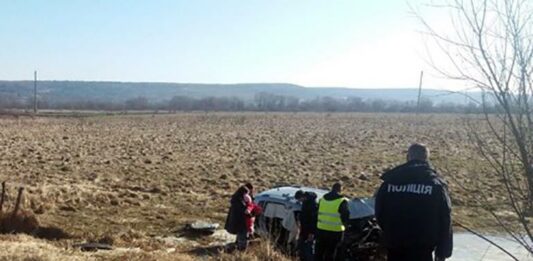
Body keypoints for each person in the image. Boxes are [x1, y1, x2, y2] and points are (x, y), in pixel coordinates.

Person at [375, 143, 453, 261]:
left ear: (408, 157)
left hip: (395, 244)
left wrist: (390, 233)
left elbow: (379, 212)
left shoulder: (390, 182)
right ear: (426, 159)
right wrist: (442, 251)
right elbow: (445, 218)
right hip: (422, 247)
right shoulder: (435, 185)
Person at [315, 182, 350, 261]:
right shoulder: (342, 201)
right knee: (331, 252)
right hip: (335, 231)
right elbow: (345, 216)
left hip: (321, 229)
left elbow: (317, 212)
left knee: (319, 252)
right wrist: (346, 227)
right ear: (340, 189)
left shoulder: (322, 199)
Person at [295, 190, 318, 261]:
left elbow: (313, 220)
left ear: (302, 197)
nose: (300, 201)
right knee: (301, 248)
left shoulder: (312, 204)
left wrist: (311, 233)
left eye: (299, 199)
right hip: (304, 230)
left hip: (310, 232)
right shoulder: (305, 203)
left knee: (308, 250)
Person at [224, 186, 250, 250]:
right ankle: (241, 249)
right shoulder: (239, 201)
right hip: (240, 222)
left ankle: (239, 246)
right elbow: (244, 211)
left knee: (240, 235)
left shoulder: (236, 199)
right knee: (242, 236)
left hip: (236, 221)